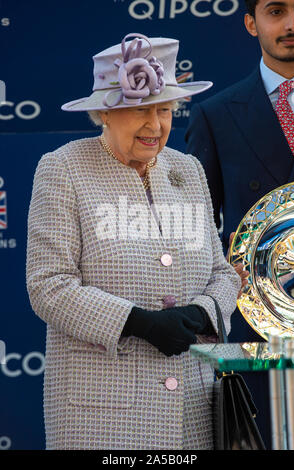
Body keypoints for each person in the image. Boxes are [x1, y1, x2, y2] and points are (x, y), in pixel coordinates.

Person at [26, 33, 240, 450]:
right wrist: (139, 323)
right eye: (141, 110)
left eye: (165, 110)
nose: (156, 125)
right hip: (101, 420)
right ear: (104, 114)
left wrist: (204, 311)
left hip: (191, 415)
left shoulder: (189, 170)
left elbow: (220, 271)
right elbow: (48, 285)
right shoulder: (64, 168)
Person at [185, 0, 294, 448]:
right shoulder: (215, 115)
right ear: (251, 23)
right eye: (276, 11)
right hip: (256, 327)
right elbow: (195, 228)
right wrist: (226, 262)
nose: (293, 24)